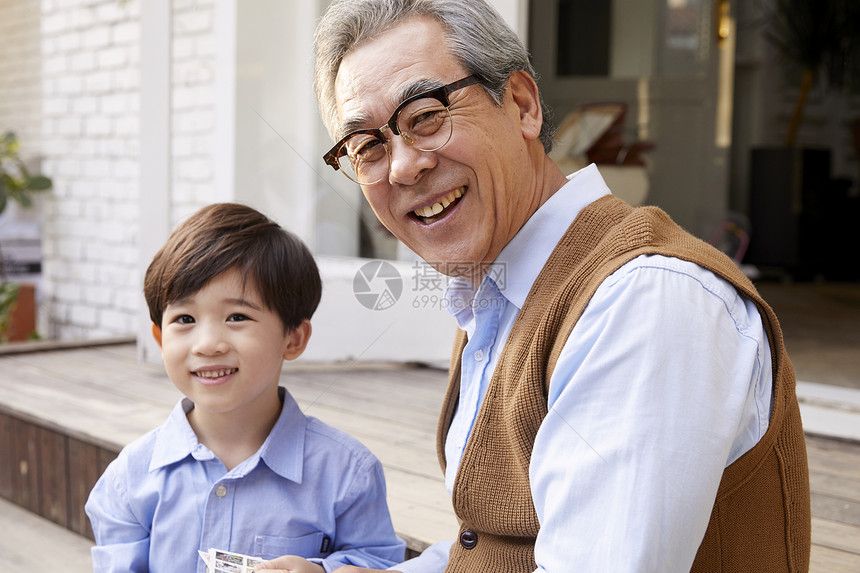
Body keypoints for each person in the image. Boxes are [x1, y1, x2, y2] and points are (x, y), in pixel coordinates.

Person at [261, 1, 812, 572]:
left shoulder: (646, 298)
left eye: (425, 115)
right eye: (367, 147)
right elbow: (492, 548)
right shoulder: (496, 291)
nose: (402, 166)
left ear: (522, 105)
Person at [85, 203, 405, 573]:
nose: (207, 344)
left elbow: (378, 562)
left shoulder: (347, 471)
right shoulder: (131, 477)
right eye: (184, 319)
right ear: (159, 338)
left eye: (237, 317)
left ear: (293, 338)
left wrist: (321, 571)